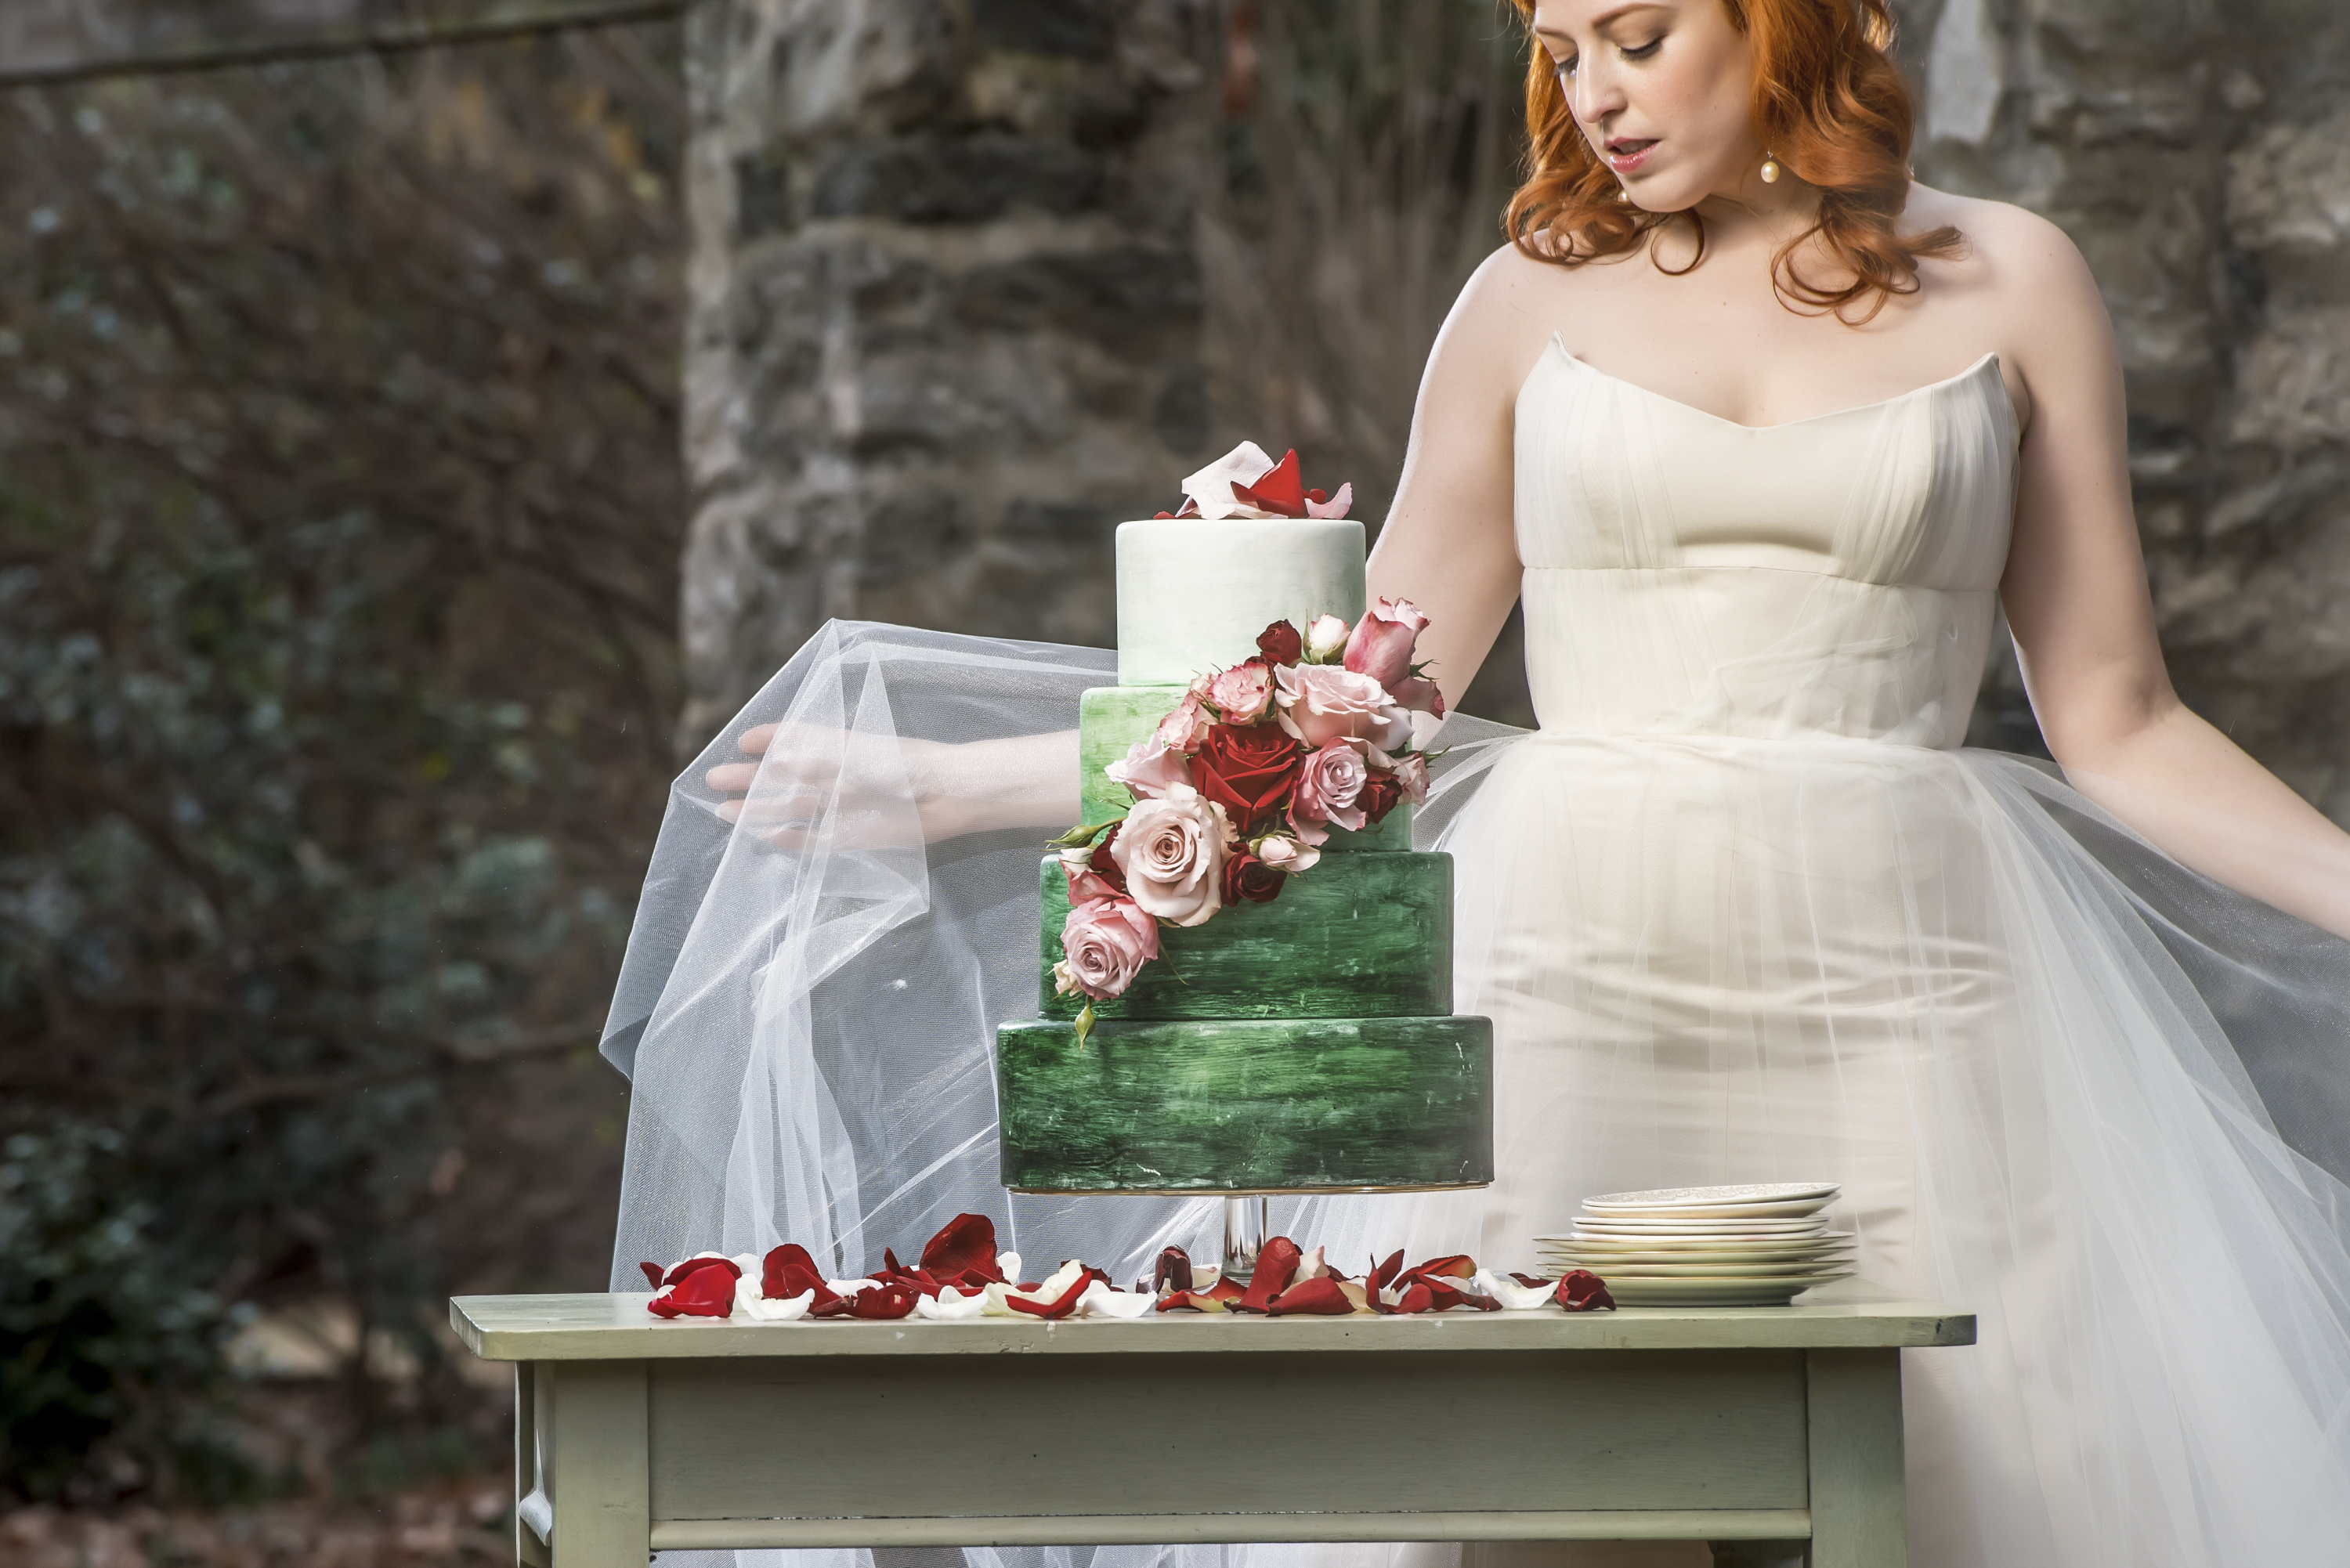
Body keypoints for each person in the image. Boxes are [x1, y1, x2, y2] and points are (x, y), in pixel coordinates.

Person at [605, 1, 2350, 1565]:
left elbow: (2118, 717)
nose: (1594, 91)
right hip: (1575, 974)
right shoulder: (1526, 298)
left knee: (2000, 1462)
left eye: (1641, 34)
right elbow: (1374, 694)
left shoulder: (2018, 276)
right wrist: (968, 783)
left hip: (1931, 987)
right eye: (1561, 47)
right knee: (1538, 1477)